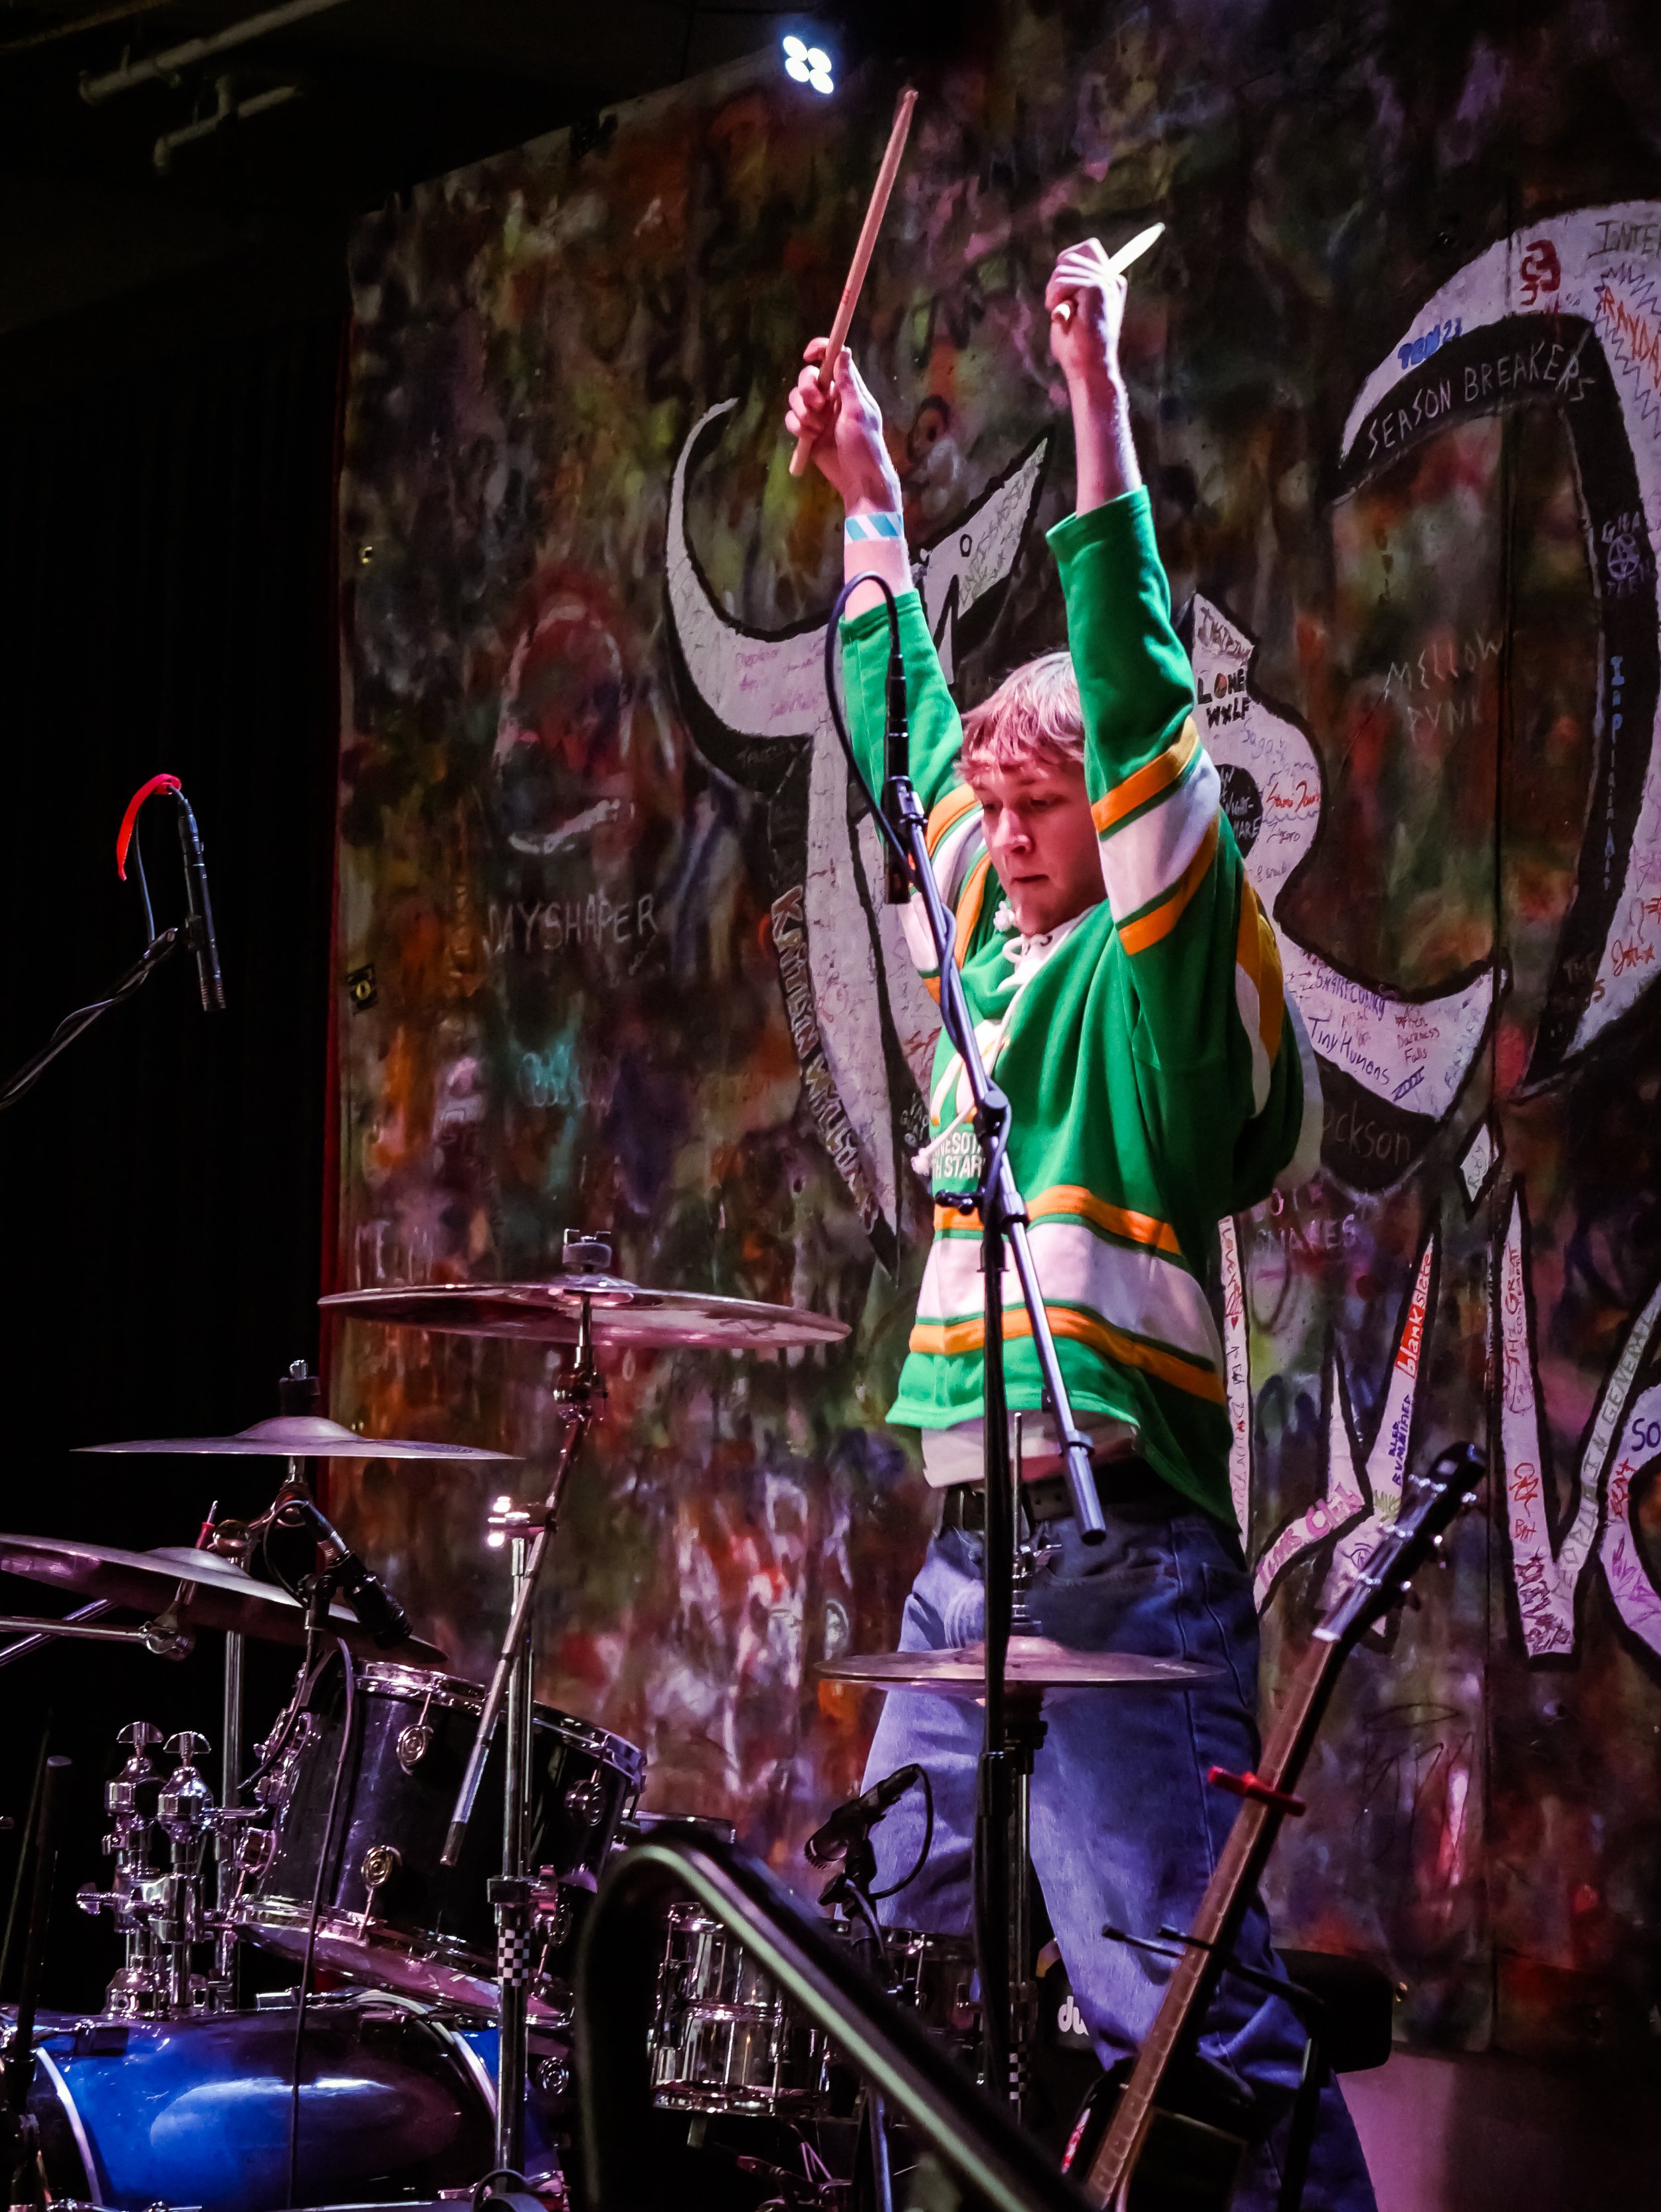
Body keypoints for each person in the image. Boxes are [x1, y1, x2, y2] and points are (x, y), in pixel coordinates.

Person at [784, 239, 1374, 2211]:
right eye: (1016, 811)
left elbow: (1132, 703)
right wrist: (870, 508)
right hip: (974, 1566)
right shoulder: (992, 950)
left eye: (1055, 808)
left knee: (1172, 2006)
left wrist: (1095, 405)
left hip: (1121, 1558)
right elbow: (906, 756)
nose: (1013, 833)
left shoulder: (1155, 961)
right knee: (875, 1973)